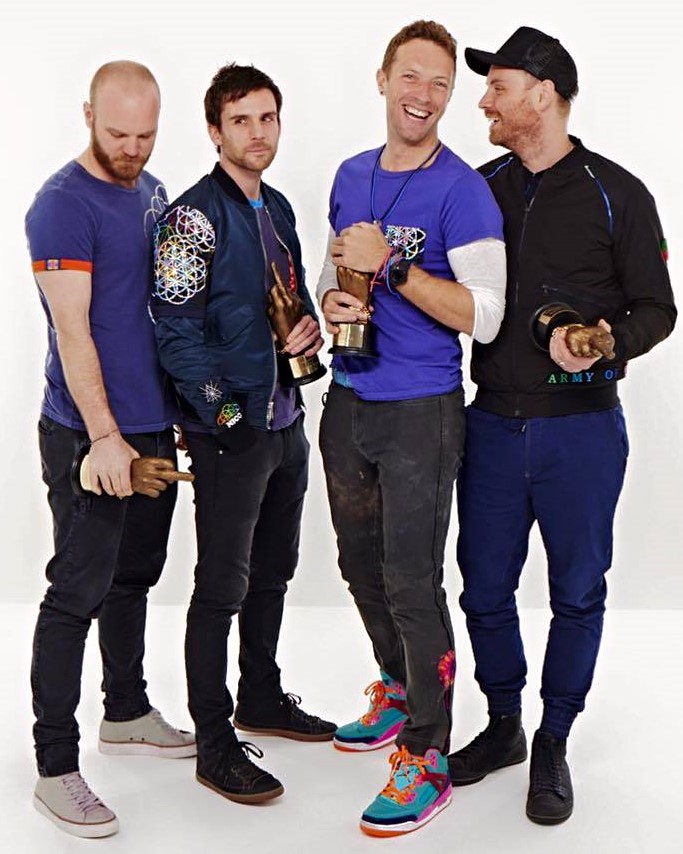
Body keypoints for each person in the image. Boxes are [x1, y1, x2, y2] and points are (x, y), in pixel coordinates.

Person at [448, 26, 676, 826]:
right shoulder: (477, 188)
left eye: (498, 86)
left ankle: (553, 737)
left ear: (541, 94)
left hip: (581, 432)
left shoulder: (618, 192)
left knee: (577, 592)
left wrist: (605, 340)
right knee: (482, 587)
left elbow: (657, 308)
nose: (483, 101)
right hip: (490, 425)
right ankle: (503, 722)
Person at [316, 20, 506, 837]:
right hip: (347, 399)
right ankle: (398, 690)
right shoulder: (349, 174)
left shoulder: (462, 190)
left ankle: (428, 755)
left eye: (438, 84)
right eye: (410, 77)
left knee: (409, 580)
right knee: (357, 565)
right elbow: (332, 274)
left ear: (449, 96)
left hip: (421, 412)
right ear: (383, 78)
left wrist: (394, 267)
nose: (422, 96)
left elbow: (486, 315)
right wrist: (334, 299)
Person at [150, 62, 336, 806]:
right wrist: (224, 418)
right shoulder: (190, 220)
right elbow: (175, 335)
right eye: (240, 121)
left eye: (267, 118)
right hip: (232, 431)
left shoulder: (278, 206)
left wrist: (305, 332)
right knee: (220, 587)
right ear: (214, 131)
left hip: (285, 420)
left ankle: (261, 695)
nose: (257, 133)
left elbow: (285, 304)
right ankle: (214, 741)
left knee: (274, 572)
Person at [25, 61, 196, 839]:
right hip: (89, 435)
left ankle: (125, 712)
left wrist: (175, 411)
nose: (131, 148)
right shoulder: (62, 206)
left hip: (151, 426)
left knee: (134, 578)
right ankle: (54, 767)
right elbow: (74, 331)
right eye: (118, 133)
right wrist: (104, 439)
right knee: (77, 593)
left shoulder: (151, 190)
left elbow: (153, 310)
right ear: (88, 114)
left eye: (145, 135)